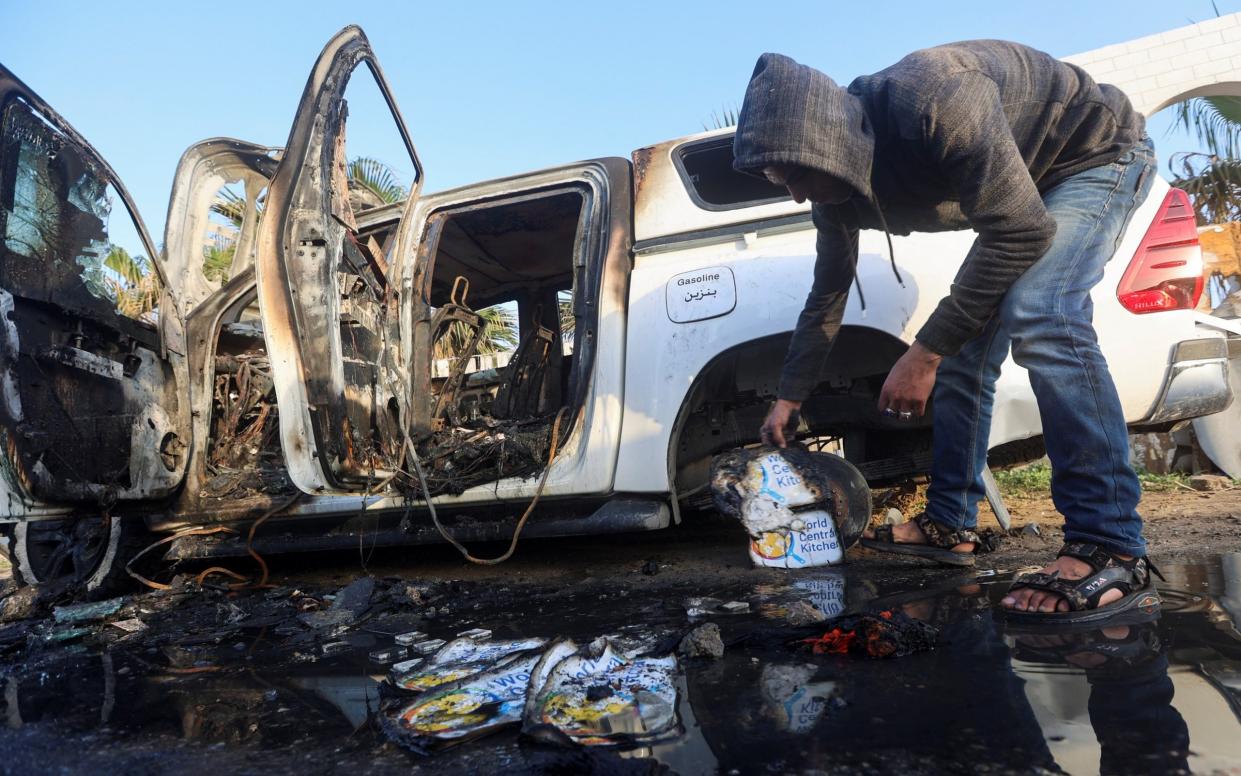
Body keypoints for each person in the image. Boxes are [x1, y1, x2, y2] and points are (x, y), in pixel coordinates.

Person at [732, 41, 1160, 621]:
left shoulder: (934, 95)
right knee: (963, 359)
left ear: (832, 141)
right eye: (781, 181)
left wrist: (924, 351)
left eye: (800, 174)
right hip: (1021, 195)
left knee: (1043, 312)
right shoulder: (833, 193)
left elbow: (1020, 231)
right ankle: (949, 524)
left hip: (1093, 158)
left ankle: (1109, 544)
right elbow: (826, 295)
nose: (799, 194)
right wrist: (788, 398)